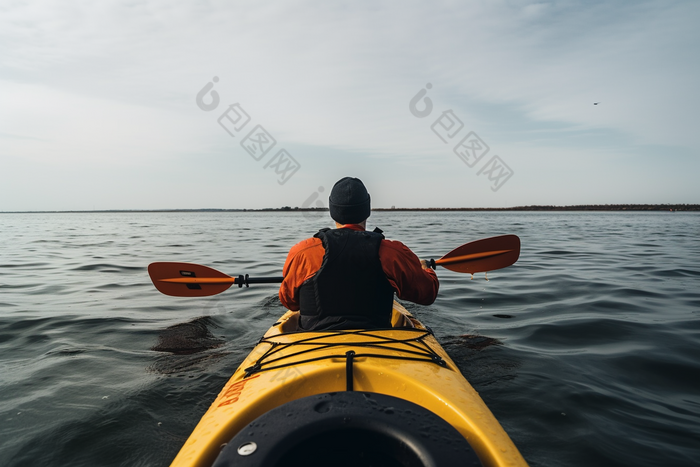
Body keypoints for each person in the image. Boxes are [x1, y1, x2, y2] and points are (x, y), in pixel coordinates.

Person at [279, 177, 439, 330]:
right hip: (379, 344)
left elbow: (289, 302)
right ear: (367, 209)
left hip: (315, 345)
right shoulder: (393, 252)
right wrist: (425, 269)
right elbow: (427, 294)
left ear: (332, 210)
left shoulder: (303, 252)